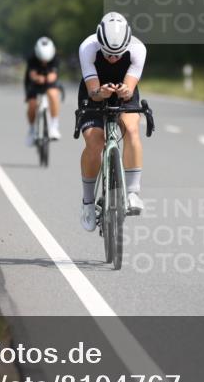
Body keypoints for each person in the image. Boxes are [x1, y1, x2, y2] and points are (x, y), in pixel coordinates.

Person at [77, 12, 147, 231]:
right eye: (108, 54)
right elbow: (93, 91)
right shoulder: (87, 47)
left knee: (132, 129)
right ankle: (88, 203)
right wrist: (100, 92)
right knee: (94, 141)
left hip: (123, 91)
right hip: (95, 91)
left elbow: (129, 88)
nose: (113, 59)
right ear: (100, 43)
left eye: (118, 55)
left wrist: (125, 90)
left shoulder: (138, 49)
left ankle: (133, 193)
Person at [25, 37, 62, 145]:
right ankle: (31, 130)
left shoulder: (55, 57)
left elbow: (54, 74)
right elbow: (32, 74)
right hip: (34, 83)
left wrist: (49, 77)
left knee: (53, 94)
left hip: (49, 82)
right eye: (42, 60)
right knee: (32, 104)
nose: (44, 62)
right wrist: (37, 78)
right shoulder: (32, 57)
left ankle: (54, 126)